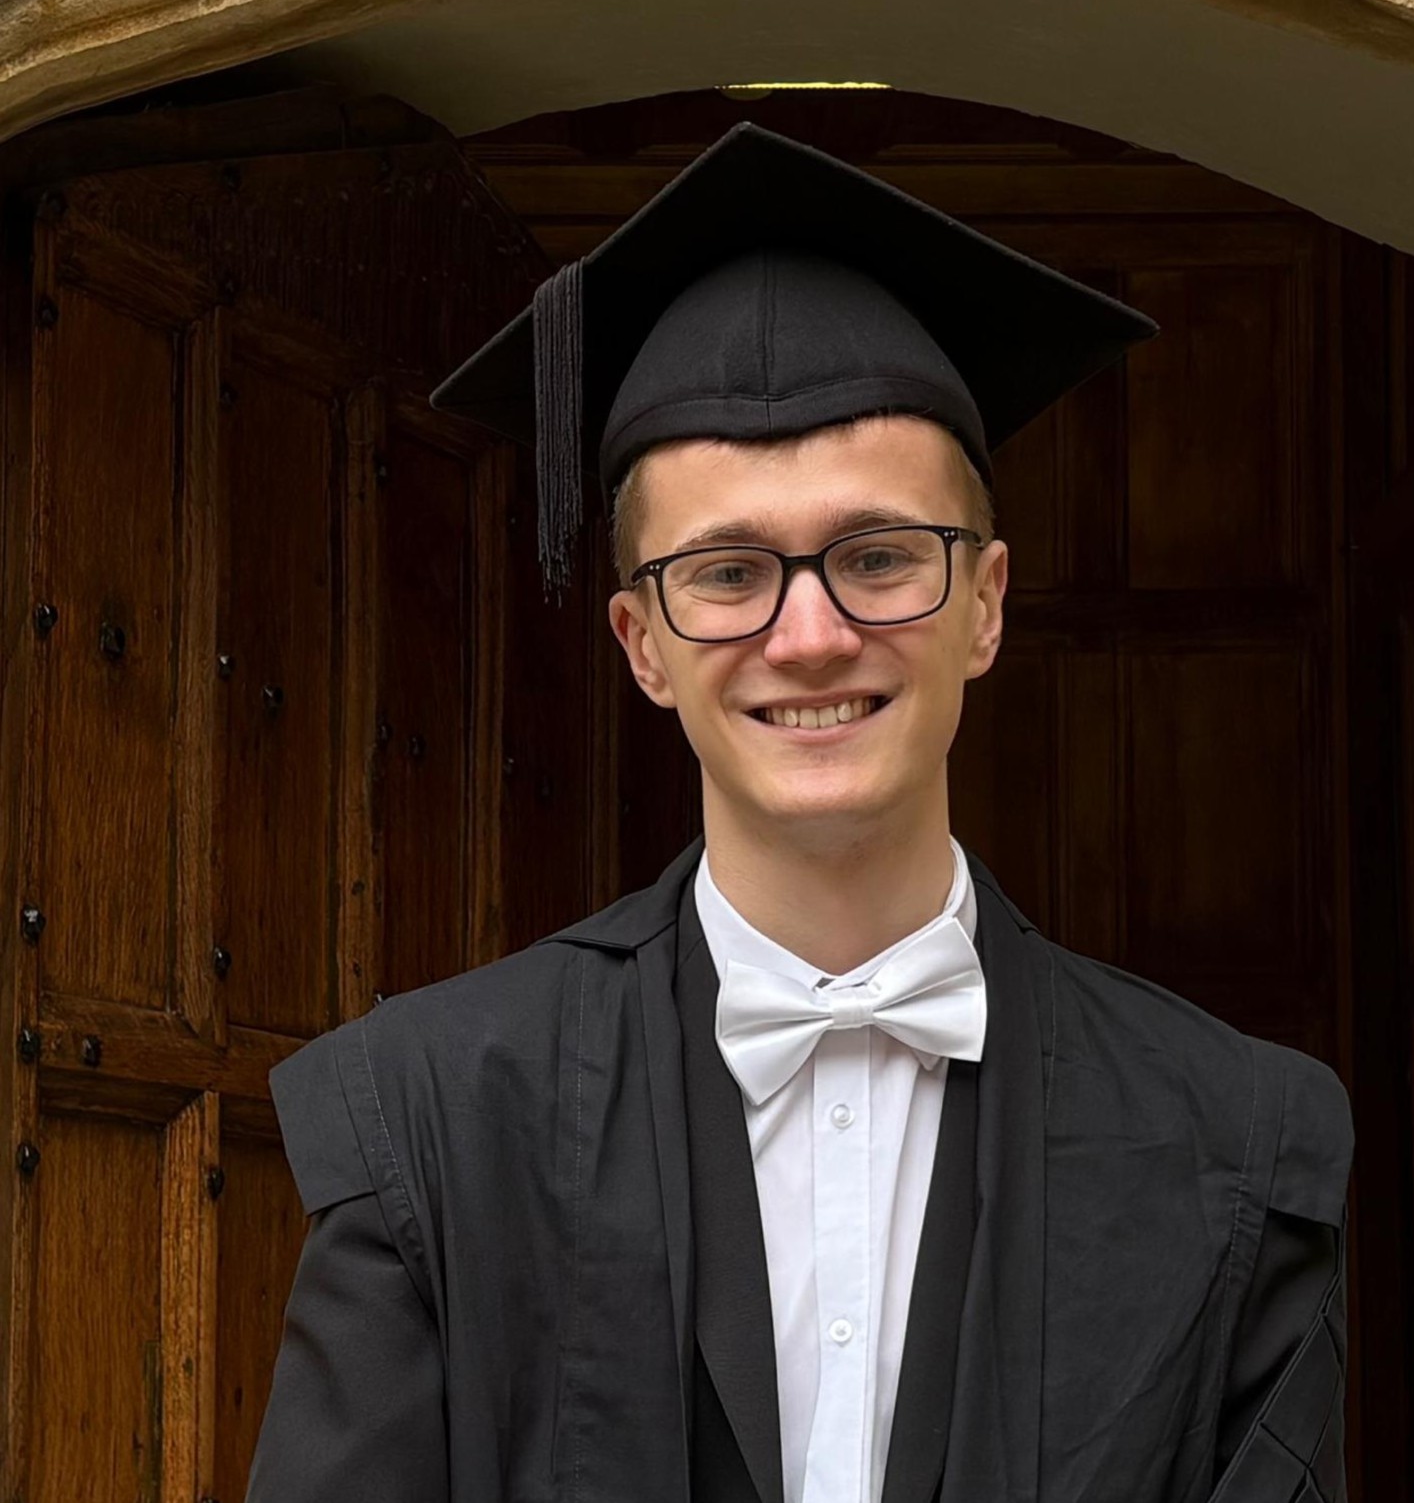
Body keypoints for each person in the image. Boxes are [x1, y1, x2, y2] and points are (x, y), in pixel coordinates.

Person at [247, 123, 1352, 1503]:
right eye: (727, 572)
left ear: (989, 603)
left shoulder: (1233, 1143)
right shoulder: (428, 1123)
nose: (812, 633)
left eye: (880, 555)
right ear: (642, 640)